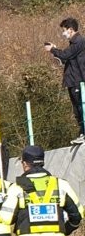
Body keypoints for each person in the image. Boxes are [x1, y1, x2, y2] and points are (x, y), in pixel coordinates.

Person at [44, 16, 85, 144]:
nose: (64, 33)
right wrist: (56, 52)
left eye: (65, 30)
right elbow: (66, 57)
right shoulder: (74, 44)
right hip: (72, 81)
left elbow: (66, 54)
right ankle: (82, 133)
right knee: (77, 109)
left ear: (71, 29)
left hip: (78, 81)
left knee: (81, 107)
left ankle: (84, 133)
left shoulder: (79, 41)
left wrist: (53, 50)